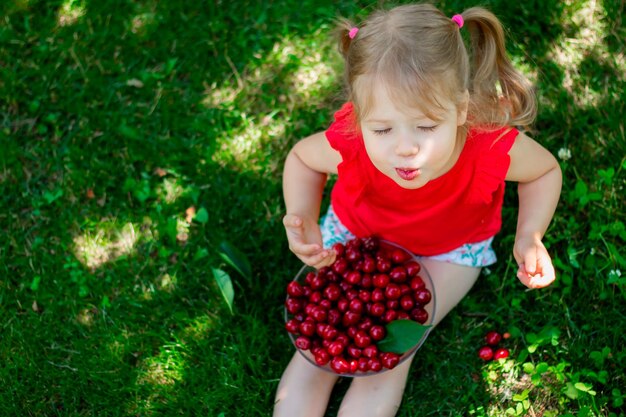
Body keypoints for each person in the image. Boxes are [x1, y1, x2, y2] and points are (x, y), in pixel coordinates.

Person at [273, 3, 562, 417]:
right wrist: (303, 219)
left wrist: (530, 234)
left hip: (448, 250)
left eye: (426, 126)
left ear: (461, 110)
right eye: (382, 129)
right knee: (318, 343)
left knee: (394, 344)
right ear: (360, 117)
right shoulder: (354, 140)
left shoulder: (488, 147)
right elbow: (302, 159)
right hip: (356, 234)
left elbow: (545, 171)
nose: (404, 147)